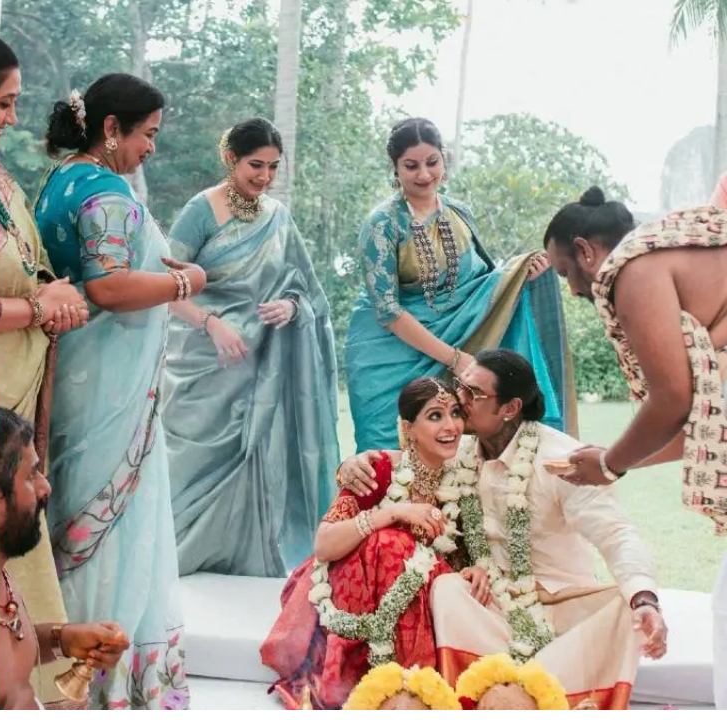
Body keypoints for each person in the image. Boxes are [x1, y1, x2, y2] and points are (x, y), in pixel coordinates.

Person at [340, 348, 668, 709]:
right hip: (493, 602)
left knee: (625, 606)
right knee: (449, 589)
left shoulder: (561, 459)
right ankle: (492, 689)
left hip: (563, 601)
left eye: (473, 394)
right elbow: (413, 459)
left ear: (510, 409)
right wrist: (354, 463)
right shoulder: (462, 451)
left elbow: (617, 533)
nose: (458, 401)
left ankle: (533, 691)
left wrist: (644, 598)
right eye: (460, 387)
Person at [34, 72, 205, 709]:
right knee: (111, 522)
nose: (152, 149)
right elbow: (107, 287)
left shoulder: (59, 180)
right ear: (112, 129)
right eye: (148, 135)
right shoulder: (105, 189)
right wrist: (189, 280)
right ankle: (101, 679)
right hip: (105, 386)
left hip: (79, 373)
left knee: (78, 509)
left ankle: (69, 661)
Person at [541, 188, 727, 708]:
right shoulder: (670, 254)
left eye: (564, 274)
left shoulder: (632, 269)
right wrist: (615, 460)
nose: (574, 291)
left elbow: (672, 399)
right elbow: (692, 424)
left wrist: (609, 463)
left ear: (586, 251)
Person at [162, 117, 341, 576]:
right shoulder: (200, 211)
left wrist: (289, 306)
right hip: (204, 364)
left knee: (259, 461)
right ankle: (174, 561)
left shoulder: (278, 217)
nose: (264, 178)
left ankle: (248, 561)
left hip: (264, 364)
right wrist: (212, 324)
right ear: (230, 159)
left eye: (273, 168)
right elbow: (165, 287)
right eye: (254, 166)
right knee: (190, 468)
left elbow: (305, 289)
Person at [344, 117, 575, 454]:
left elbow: (481, 282)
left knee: (460, 452)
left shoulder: (459, 213)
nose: (424, 174)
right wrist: (454, 359)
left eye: (432, 162)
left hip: (461, 337)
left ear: (444, 159)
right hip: (386, 357)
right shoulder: (382, 224)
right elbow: (388, 312)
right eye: (411, 165)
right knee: (388, 455)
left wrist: (521, 272)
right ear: (395, 168)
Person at [259, 378, 471, 710]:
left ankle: (417, 680)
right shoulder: (378, 469)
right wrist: (392, 512)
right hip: (352, 589)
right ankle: (376, 672)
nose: (451, 426)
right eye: (435, 416)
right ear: (408, 427)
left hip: (427, 601)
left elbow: (466, 553)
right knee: (390, 544)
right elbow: (325, 544)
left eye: (456, 413)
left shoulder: (465, 478)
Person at [0, 36, 86, 698]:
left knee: (24, 524)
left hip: (20, 389)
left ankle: (33, 678)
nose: (12, 119)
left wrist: (53, 291)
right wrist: (40, 308)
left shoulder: (1, 181)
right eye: (1, 104)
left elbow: (31, 269)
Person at [0, 406, 131, 710]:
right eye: (31, 476)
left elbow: (11, 649)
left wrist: (65, 639)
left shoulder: (1, 576)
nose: (46, 486)